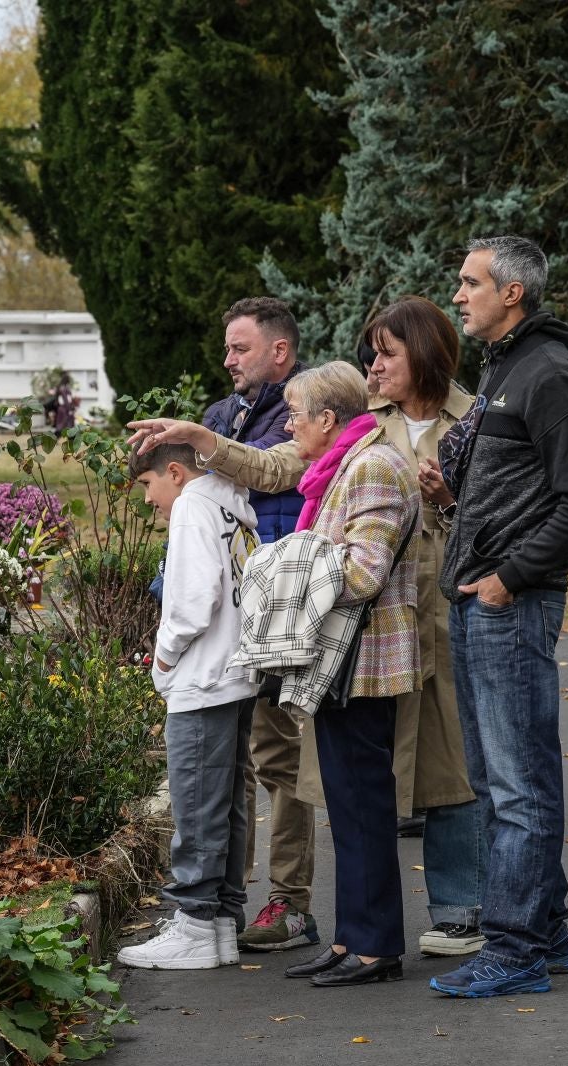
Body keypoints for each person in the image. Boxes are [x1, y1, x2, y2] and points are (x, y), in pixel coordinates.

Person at [127, 361, 420, 987]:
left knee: (363, 804)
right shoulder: (335, 464)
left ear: (328, 420)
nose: (287, 427)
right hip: (337, 661)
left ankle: (374, 946)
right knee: (344, 801)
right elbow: (265, 469)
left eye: (295, 416)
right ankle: (353, 938)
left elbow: (363, 572)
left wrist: (282, 565)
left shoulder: (373, 465)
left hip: (363, 662)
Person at [422, 235, 568, 998]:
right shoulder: (504, 371)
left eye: (470, 284)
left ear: (513, 294)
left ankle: (516, 949)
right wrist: (453, 503)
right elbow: (516, 496)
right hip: (477, 600)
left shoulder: (549, 374)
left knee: (519, 782)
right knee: (500, 779)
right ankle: (548, 929)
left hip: (510, 604)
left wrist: (508, 579)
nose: (459, 295)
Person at [361, 297, 484, 958]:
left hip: (450, 613)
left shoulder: (477, 420)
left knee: (450, 763)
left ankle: (460, 909)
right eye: (372, 353)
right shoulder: (363, 422)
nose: (375, 366)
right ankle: (368, 927)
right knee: (371, 769)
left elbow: (500, 518)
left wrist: (450, 501)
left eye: (387, 353)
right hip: (377, 621)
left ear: (425, 355)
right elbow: (299, 471)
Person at [116, 441, 260, 971]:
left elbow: (195, 599)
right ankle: (221, 921)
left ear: (174, 472)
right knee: (226, 802)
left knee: (196, 801)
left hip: (201, 678)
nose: (151, 502)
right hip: (235, 672)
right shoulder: (229, 503)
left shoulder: (193, 509)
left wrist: (165, 657)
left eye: (149, 487)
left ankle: (195, 925)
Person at [202, 297, 316, 954]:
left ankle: (290, 902)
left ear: (279, 351)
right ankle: (226, 898)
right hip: (224, 614)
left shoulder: (305, 411)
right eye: (227, 348)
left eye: (240, 348)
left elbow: (271, 471)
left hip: (276, 610)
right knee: (231, 757)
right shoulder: (224, 414)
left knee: (279, 757)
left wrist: (204, 447)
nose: (228, 360)